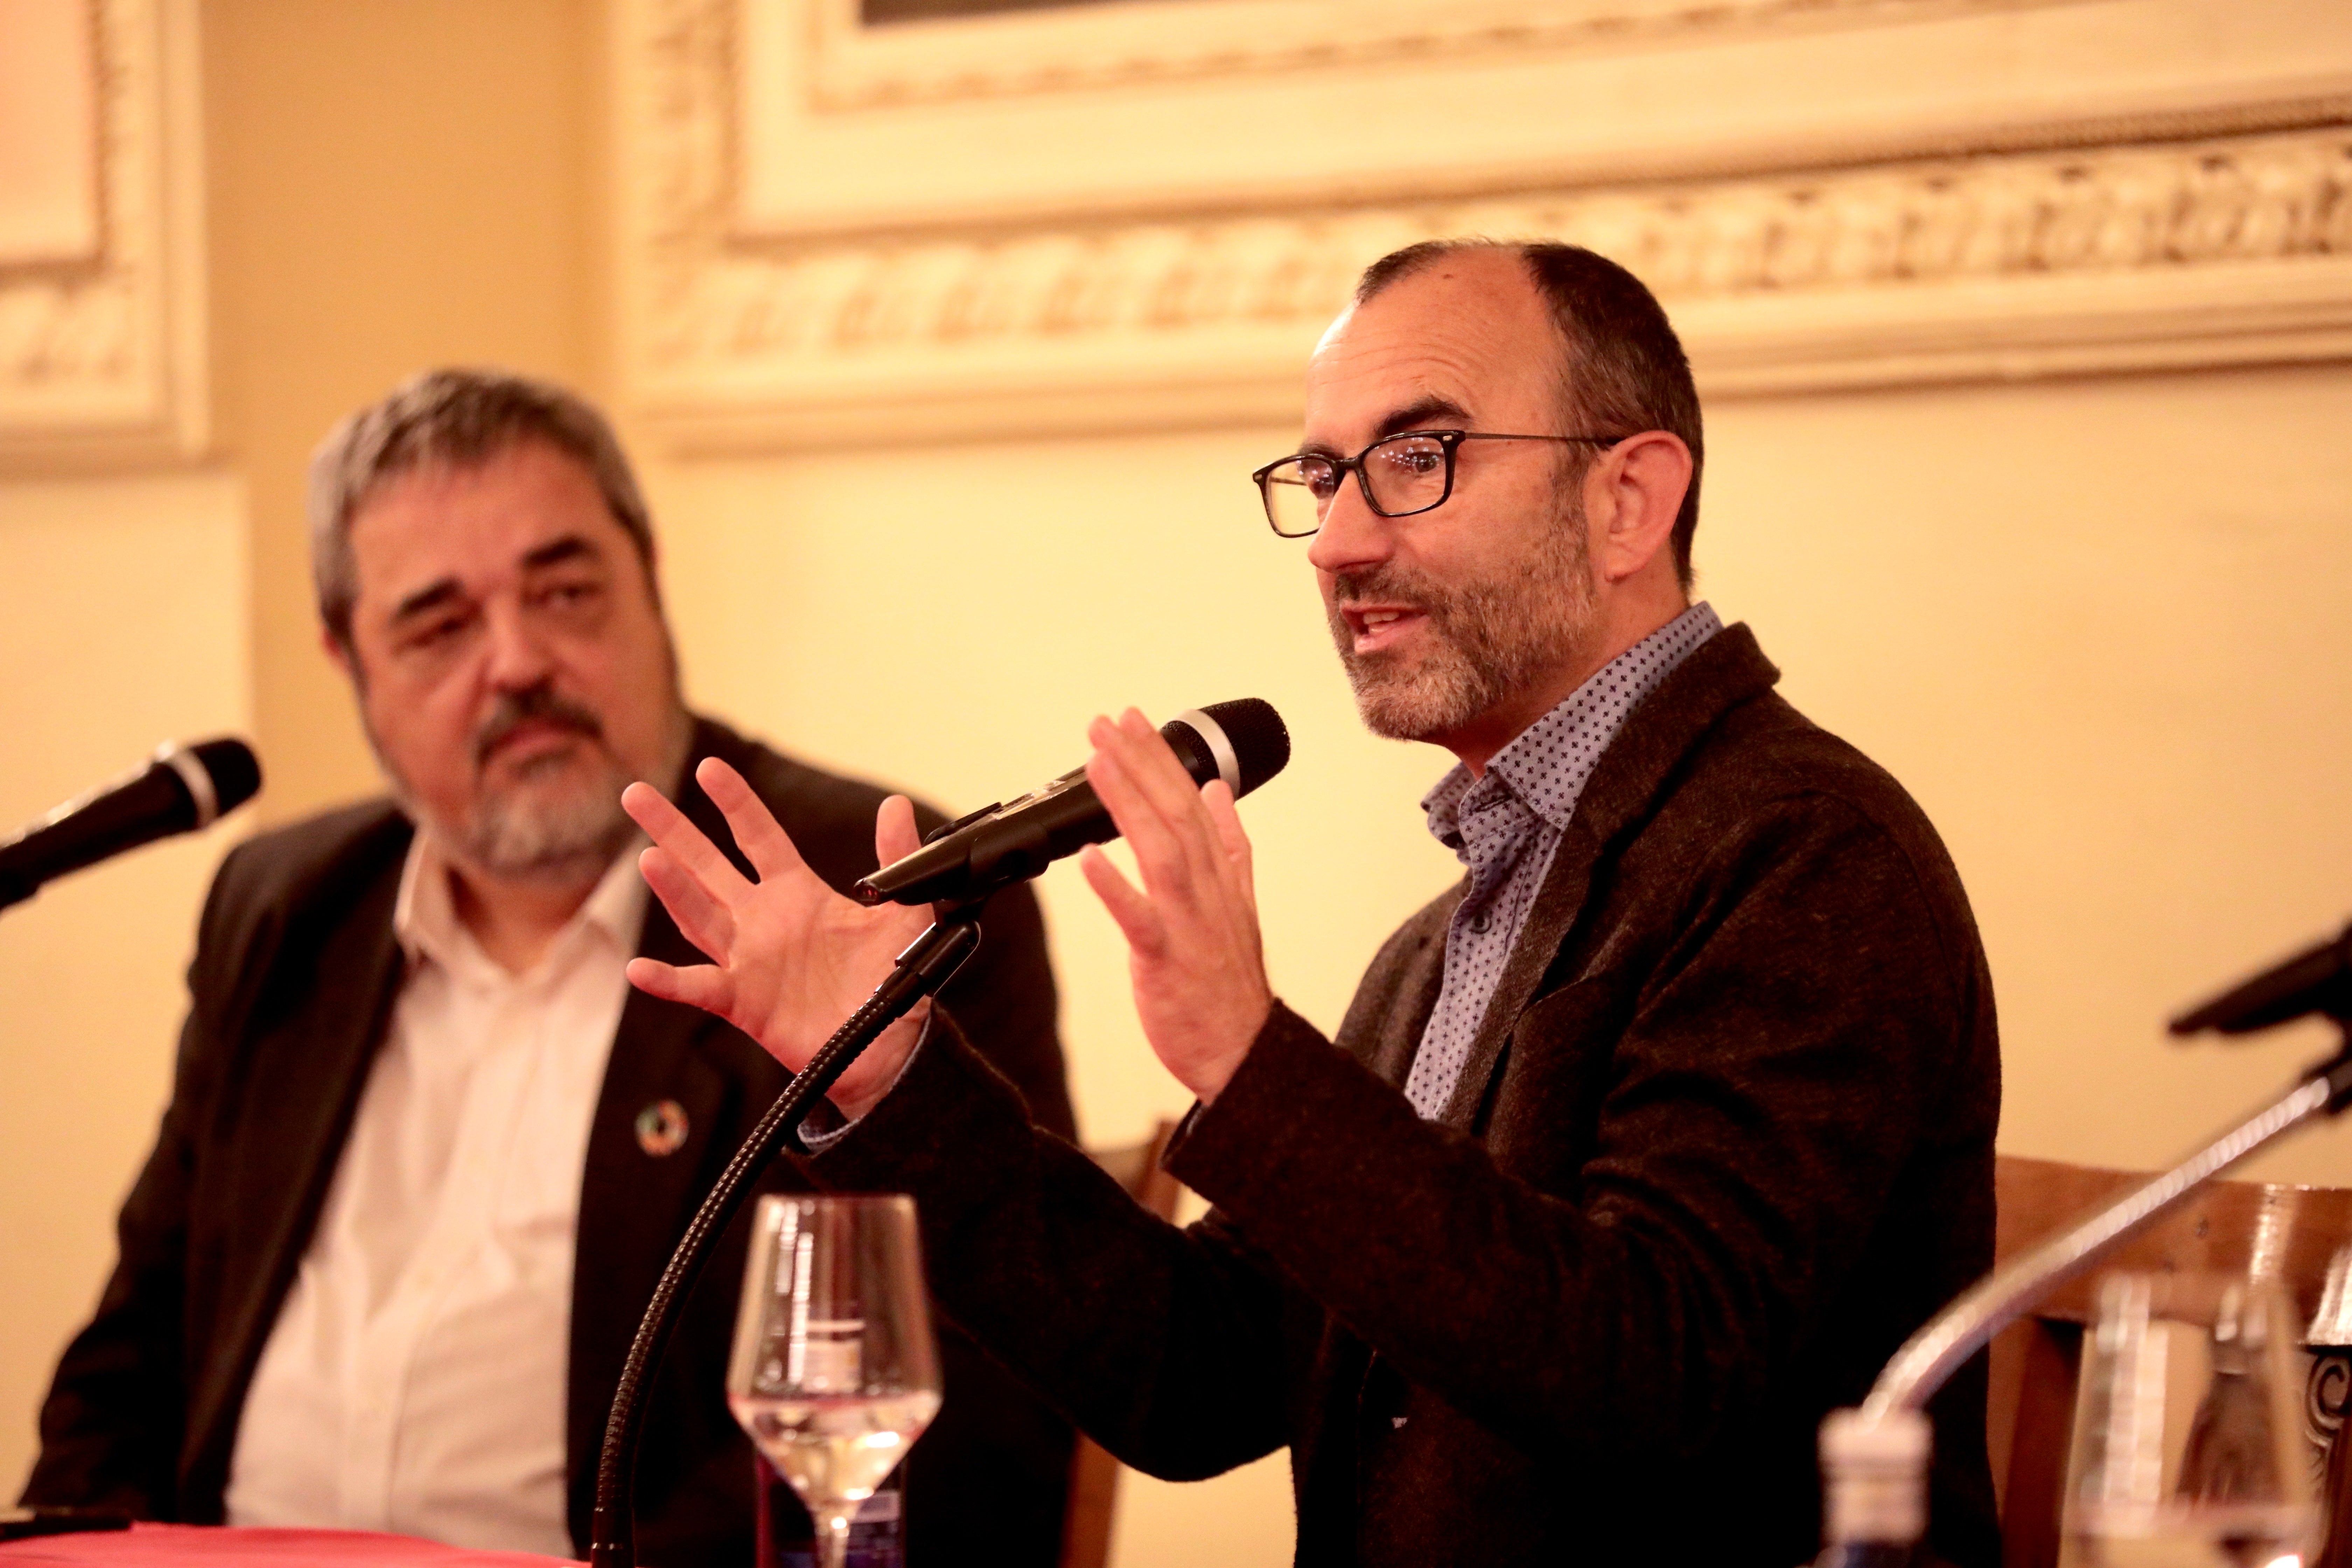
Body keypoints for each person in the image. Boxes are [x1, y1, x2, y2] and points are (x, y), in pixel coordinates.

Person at [618, 242, 2005, 1567]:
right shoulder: (1450, 942)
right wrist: (892, 1071)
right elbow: (1200, 1375)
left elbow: (1658, 1376)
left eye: (1417, 458)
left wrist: (1249, 1056)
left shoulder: (1804, 855)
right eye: (1326, 476)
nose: (1335, 543)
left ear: (1628, 501)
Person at [21, 371, 1078, 1566]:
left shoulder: (867, 895)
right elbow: (129, 1370)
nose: (518, 663)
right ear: (347, 660)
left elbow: (955, 1430)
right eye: (439, 628)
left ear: (651, 584)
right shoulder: (284, 907)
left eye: (566, 594)